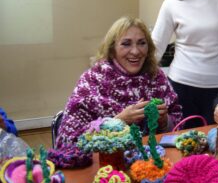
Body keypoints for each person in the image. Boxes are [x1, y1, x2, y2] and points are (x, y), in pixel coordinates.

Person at [55, 17, 182, 148]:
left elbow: (178, 126)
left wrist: (165, 121)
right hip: (107, 159)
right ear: (112, 49)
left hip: (155, 157)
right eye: (126, 44)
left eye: (142, 43)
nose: (135, 51)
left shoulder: (157, 77)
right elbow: (68, 139)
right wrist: (119, 121)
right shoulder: (91, 81)